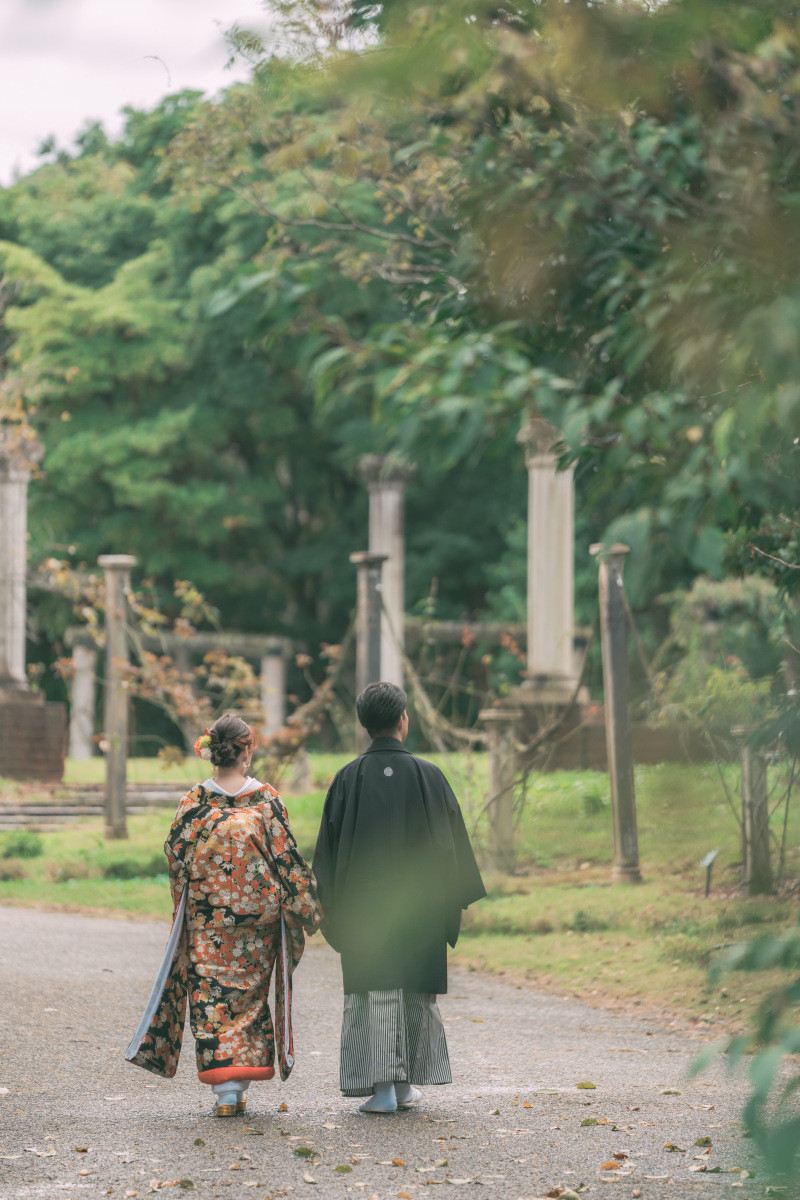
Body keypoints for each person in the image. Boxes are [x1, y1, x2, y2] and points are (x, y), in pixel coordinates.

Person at [126, 713, 321, 1117]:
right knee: (249, 999)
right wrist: (309, 907)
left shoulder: (194, 802)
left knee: (212, 999)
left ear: (213, 752)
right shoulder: (266, 800)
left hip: (207, 921)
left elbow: (176, 857)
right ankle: (238, 1084)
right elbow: (287, 859)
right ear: (246, 751)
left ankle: (226, 1093)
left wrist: (186, 901)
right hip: (257, 923)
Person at [313, 682, 486, 1114]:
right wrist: (453, 903)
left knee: (373, 993)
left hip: (363, 911)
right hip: (420, 911)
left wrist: (326, 907)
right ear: (403, 720)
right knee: (412, 991)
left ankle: (386, 1089)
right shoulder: (430, 776)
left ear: (364, 725)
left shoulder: (347, 779)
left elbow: (327, 854)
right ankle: (403, 1085)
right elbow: (452, 849)